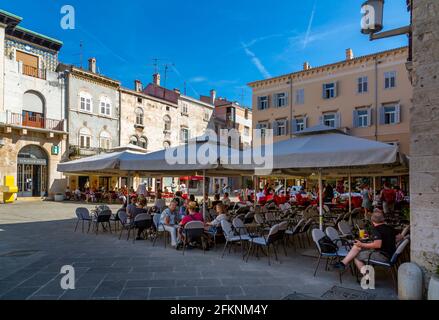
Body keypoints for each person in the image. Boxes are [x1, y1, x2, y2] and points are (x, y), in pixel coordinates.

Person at [334, 210, 403, 272]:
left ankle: (367, 277)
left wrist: (362, 244)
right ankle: (343, 263)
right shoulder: (389, 227)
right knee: (357, 247)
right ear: (383, 219)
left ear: (372, 221)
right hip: (390, 253)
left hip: (383, 256)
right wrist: (388, 240)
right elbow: (400, 237)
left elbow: (377, 245)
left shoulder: (376, 229)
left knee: (356, 256)